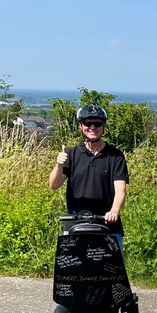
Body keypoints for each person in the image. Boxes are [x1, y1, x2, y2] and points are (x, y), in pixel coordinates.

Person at [48, 104, 128, 244]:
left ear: (103, 126)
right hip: (75, 225)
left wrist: (114, 210)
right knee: (71, 265)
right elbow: (54, 185)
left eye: (97, 124)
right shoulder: (71, 154)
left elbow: (120, 189)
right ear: (80, 125)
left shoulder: (115, 156)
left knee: (113, 266)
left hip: (108, 225)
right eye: (87, 123)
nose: (92, 127)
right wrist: (59, 165)